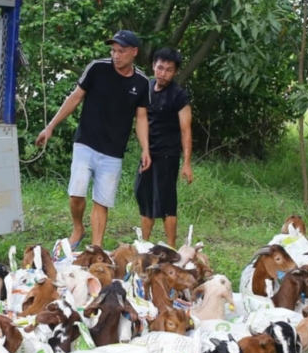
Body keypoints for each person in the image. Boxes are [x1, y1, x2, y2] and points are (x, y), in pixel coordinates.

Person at [35, 30, 151, 249]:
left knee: (102, 200)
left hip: (113, 151)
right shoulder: (97, 68)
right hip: (85, 142)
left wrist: (146, 149)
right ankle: (78, 228)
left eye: (122, 51)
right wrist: (50, 126)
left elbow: (142, 117)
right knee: (76, 192)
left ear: (134, 52)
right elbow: (75, 98)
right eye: (113, 50)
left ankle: (96, 246)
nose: (116, 55)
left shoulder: (142, 82)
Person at [135, 47, 193, 246]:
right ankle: (144, 244)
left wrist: (186, 163)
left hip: (168, 155)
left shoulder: (179, 96)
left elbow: (186, 130)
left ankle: (171, 248)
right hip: (147, 153)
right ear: (153, 66)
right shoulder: (147, 88)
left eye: (169, 70)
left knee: (167, 203)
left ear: (175, 71)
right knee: (145, 199)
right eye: (160, 68)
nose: (163, 73)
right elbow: (139, 119)